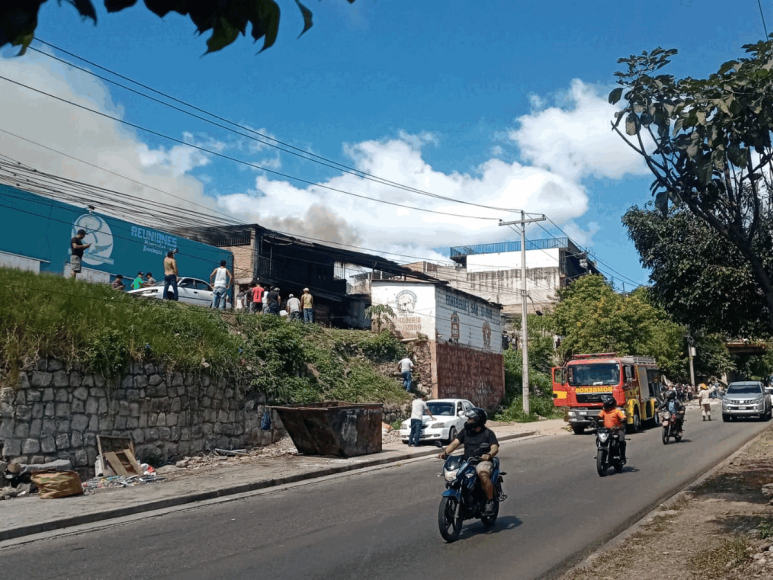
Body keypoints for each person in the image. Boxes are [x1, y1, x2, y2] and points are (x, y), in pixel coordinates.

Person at [438, 408, 499, 516]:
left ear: (478, 420)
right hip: (467, 462)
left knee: (482, 473)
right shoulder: (465, 432)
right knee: (455, 474)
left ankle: (490, 501)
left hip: (482, 461)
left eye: (470, 419)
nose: (468, 421)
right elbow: (455, 443)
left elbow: (495, 448)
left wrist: (488, 454)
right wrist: (445, 452)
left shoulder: (488, 433)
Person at [597, 396, 627, 464]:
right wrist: (596, 421)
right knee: (599, 439)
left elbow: (623, 417)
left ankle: (622, 457)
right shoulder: (603, 411)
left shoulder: (617, 411)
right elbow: (598, 417)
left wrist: (623, 421)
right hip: (606, 431)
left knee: (621, 441)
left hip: (617, 430)